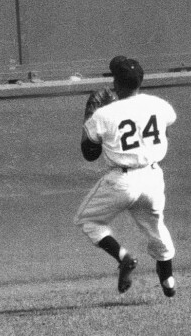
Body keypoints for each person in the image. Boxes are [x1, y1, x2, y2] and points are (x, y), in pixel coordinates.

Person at [76, 57, 178, 298]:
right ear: (140, 82)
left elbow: (90, 154)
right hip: (153, 177)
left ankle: (123, 257)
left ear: (116, 83)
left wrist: (89, 116)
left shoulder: (105, 114)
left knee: (88, 220)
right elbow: (166, 127)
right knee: (157, 230)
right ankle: (168, 281)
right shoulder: (159, 105)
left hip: (122, 180)